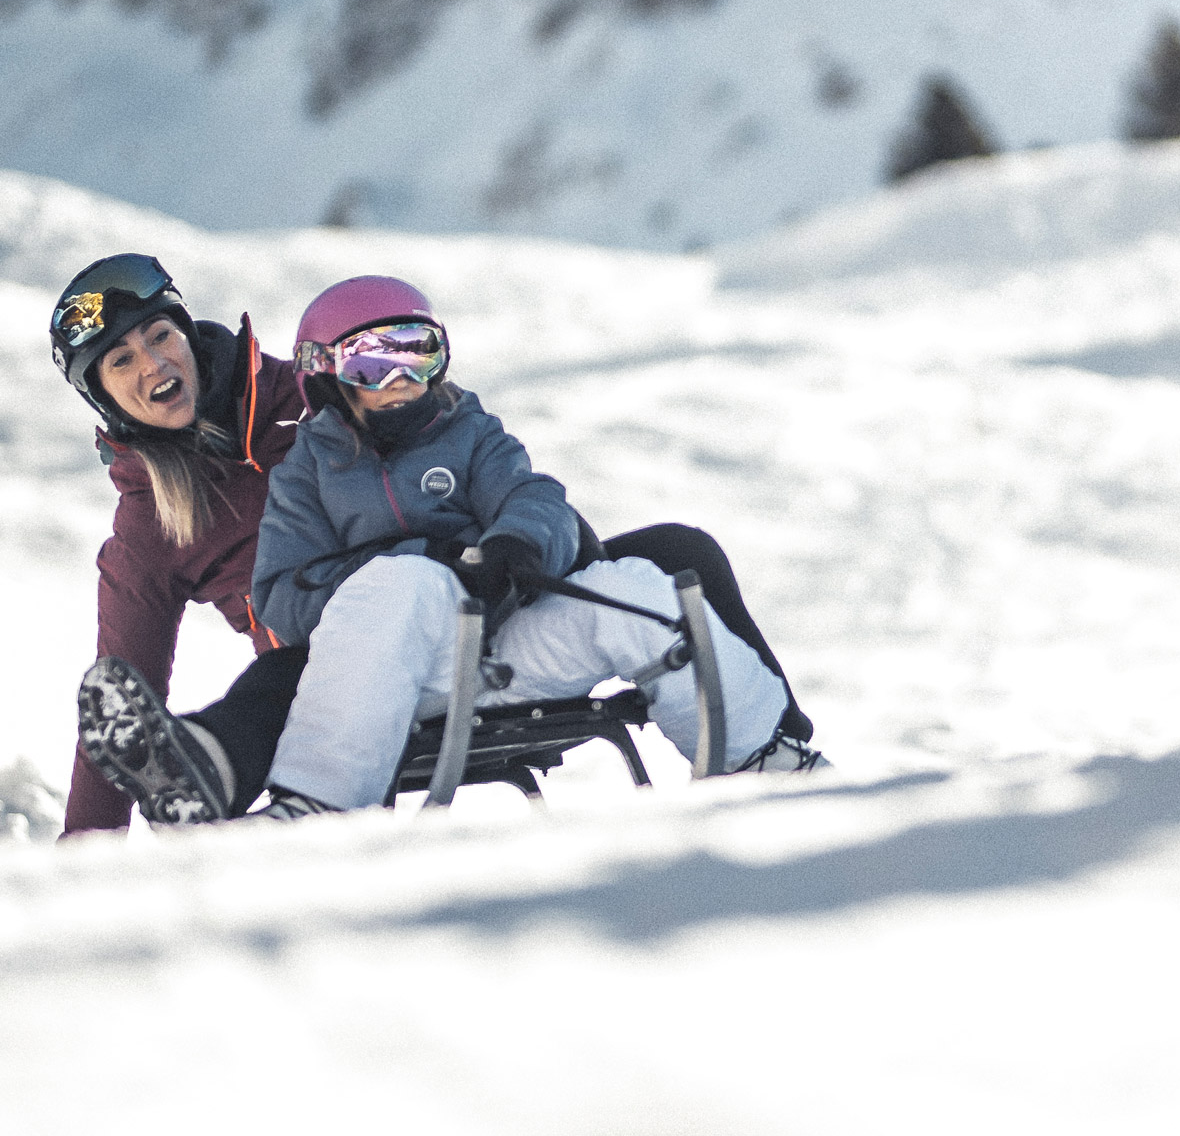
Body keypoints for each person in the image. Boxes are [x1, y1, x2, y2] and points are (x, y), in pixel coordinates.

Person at [238, 275, 823, 818]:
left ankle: (761, 758)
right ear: (321, 376)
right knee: (403, 581)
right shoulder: (306, 474)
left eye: (417, 354)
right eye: (368, 364)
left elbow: (533, 496)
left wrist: (515, 548)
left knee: (630, 586)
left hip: (506, 655)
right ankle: (317, 805)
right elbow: (279, 598)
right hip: (402, 676)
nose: (399, 381)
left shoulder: (467, 432)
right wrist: (416, 564)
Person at [47, 253, 309, 835]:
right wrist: (82, 858)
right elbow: (120, 704)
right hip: (312, 685)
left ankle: (208, 764)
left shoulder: (304, 398)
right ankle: (200, 770)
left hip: (433, 613)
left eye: (161, 334)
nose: (155, 362)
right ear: (104, 397)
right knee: (287, 682)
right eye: (121, 360)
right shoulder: (152, 523)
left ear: (188, 335)